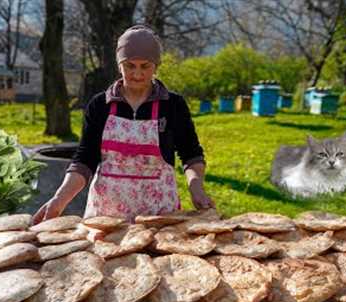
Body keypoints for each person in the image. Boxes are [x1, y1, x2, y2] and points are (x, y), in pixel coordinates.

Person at [32, 25, 214, 225]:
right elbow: (85, 158)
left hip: (158, 214)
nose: (137, 74)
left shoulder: (173, 105)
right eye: (129, 65)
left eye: (145, 66)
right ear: (119, 65)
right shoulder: (100, 105)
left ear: (156, 65)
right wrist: (60, 199)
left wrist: (196, 187)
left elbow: (191, 154)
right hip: (106, 214)